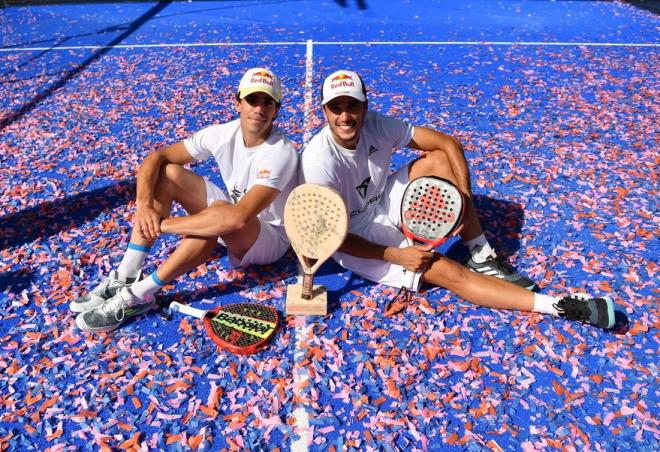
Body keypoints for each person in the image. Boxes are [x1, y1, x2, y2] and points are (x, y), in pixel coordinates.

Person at [300, 69, 614, 328]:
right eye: (336, 108)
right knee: (449, 273)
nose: (345, 116)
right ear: (324, 111)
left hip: (381, 200)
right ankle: (559, 306)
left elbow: (447, 144)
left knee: (438, 159)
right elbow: (331, 238)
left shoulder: (376, 123)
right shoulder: (319, 161)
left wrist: (464, 200)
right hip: (354, 235)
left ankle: (480, 253)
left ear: (365, 106)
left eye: (352, 106)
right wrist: (397, 255)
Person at [72, 67, 299, 332]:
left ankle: (140, 294)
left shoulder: (281, 153)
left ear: (276, 110)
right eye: (252, 100)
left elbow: (239, 217)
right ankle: (127, 274)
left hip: (268, 239)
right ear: (238, 103)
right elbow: (156, 158)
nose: (258, 108)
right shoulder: (221, 134)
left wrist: (162, 225)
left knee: (218, 217)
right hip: (229, 216)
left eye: (267, 102)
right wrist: (144, 207)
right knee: (168, 174)